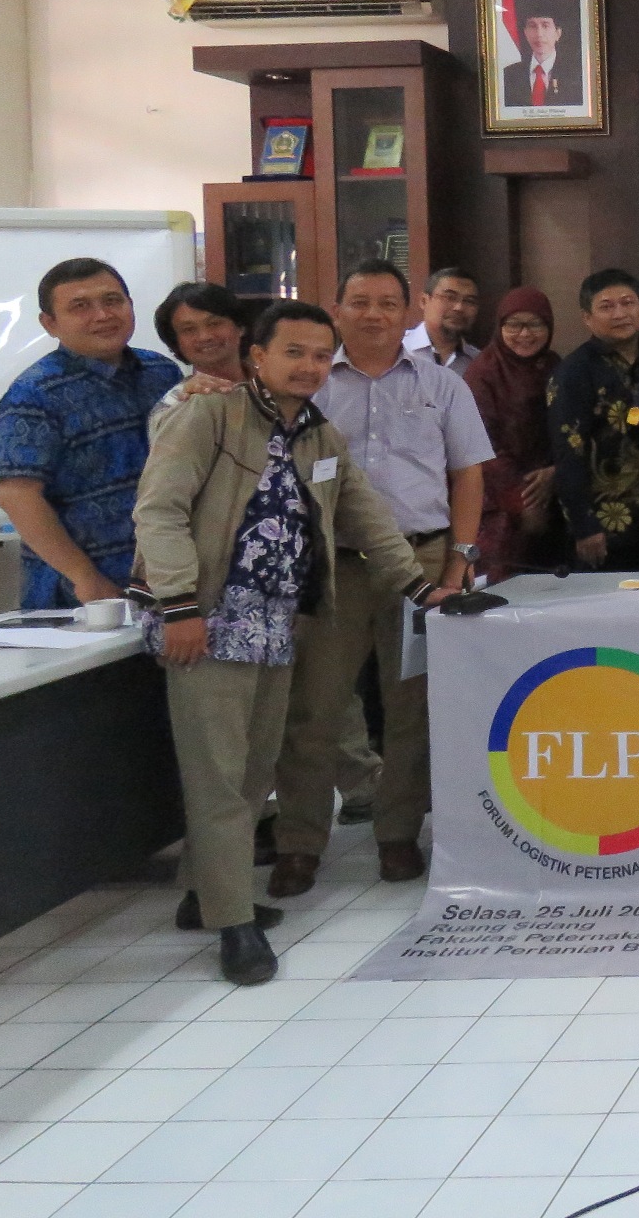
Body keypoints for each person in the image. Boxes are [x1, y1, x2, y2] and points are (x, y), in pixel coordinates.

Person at [128, 301, 445, 986]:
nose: (308, 366)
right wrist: (177, 602)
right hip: (206, 624)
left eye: (319, 355)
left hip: (277, 626)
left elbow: (366, 515)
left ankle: (203, 895)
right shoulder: (207, 417)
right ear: (257, 357)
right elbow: (159, 511)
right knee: (218, 778)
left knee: (250, 773)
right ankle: (234, 922)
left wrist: (421, 589)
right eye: (292, 352)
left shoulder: (318, 436)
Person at [269, 260, 492, 898]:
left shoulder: (442, 384)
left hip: (422, 563)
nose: (374, 314)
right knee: (314, 709)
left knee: (412, 709)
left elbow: (468, 474)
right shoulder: (311, 383)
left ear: (410, 311)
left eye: (388, 303)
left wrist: (460, 560)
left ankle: (398, 835)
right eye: (360, 302)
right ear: (337, 309)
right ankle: (300, 843)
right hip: (331, 566)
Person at [0, 258, 181, 611]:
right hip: (81, 596)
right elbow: (17, 495)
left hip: (167, 580)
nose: (102, 315)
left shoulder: (162, 372)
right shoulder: (34, 394)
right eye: (80, 306)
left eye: (112, 300)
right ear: (50, 323)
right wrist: (84, 576)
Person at [547, 267, 639, 572]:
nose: (620, 313)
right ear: (587, 317)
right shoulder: (574, 372)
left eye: (628, 303)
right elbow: (567, 453)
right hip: (603, 525)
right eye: (606, 306)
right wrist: (583, 526)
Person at [465, 286, 561, 584]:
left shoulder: (555, 367)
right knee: (503, 588)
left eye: (535, 324)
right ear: (500, 326)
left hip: (553, 496)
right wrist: (523, 502)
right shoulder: (482, 373)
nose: (524, 334)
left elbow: (569, 430)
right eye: (514, 325)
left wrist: (556, 472)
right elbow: (485, 446)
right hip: (500, 504)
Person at [501, 0, 582, 110]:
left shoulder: (576, 75)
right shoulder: (508, 75)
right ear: (525, 33)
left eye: (545, 25)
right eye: (532, 26)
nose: (539, 34)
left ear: (558, 33)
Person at [402, 266, 482, 374]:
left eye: (469, 301)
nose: (459, 307)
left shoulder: (478, 362)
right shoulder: (397, 349)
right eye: (449, 297)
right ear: (424, 301)